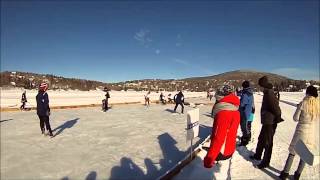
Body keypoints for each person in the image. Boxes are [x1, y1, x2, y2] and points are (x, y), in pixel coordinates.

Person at [279, 85, 319, 180]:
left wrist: (299, 109)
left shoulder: (303, 103)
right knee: (305, 154)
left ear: (307, 93)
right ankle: (297, 175)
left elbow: (295, 118)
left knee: (292, 152)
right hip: (311, 133)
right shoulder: (318, 104)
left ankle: (285, 173)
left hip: (301, 131)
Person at [250, 76, 283, 169]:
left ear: (263, 85)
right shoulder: (268, 92)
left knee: (268, 142)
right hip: (267, 121)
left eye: (261, 86)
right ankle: (257, 155)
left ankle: (265, 162)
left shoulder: (269, 93)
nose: (260, 88)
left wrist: (278, 117)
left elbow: (275, 107)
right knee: (261, 139)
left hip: (270, 121)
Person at [204, 85, 240, 168]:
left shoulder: (224, 113)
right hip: (229, 148)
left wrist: (209, 160)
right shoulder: (235, 110)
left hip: (222, 153)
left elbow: (219, 138)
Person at [239, 81, 254, 146]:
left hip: (245, 113)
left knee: (244, 127)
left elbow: (242, 104)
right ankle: (249, 137)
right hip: (250, 111)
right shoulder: (250, 92)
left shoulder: (245, 94)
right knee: (248, 125)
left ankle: (245, 140)